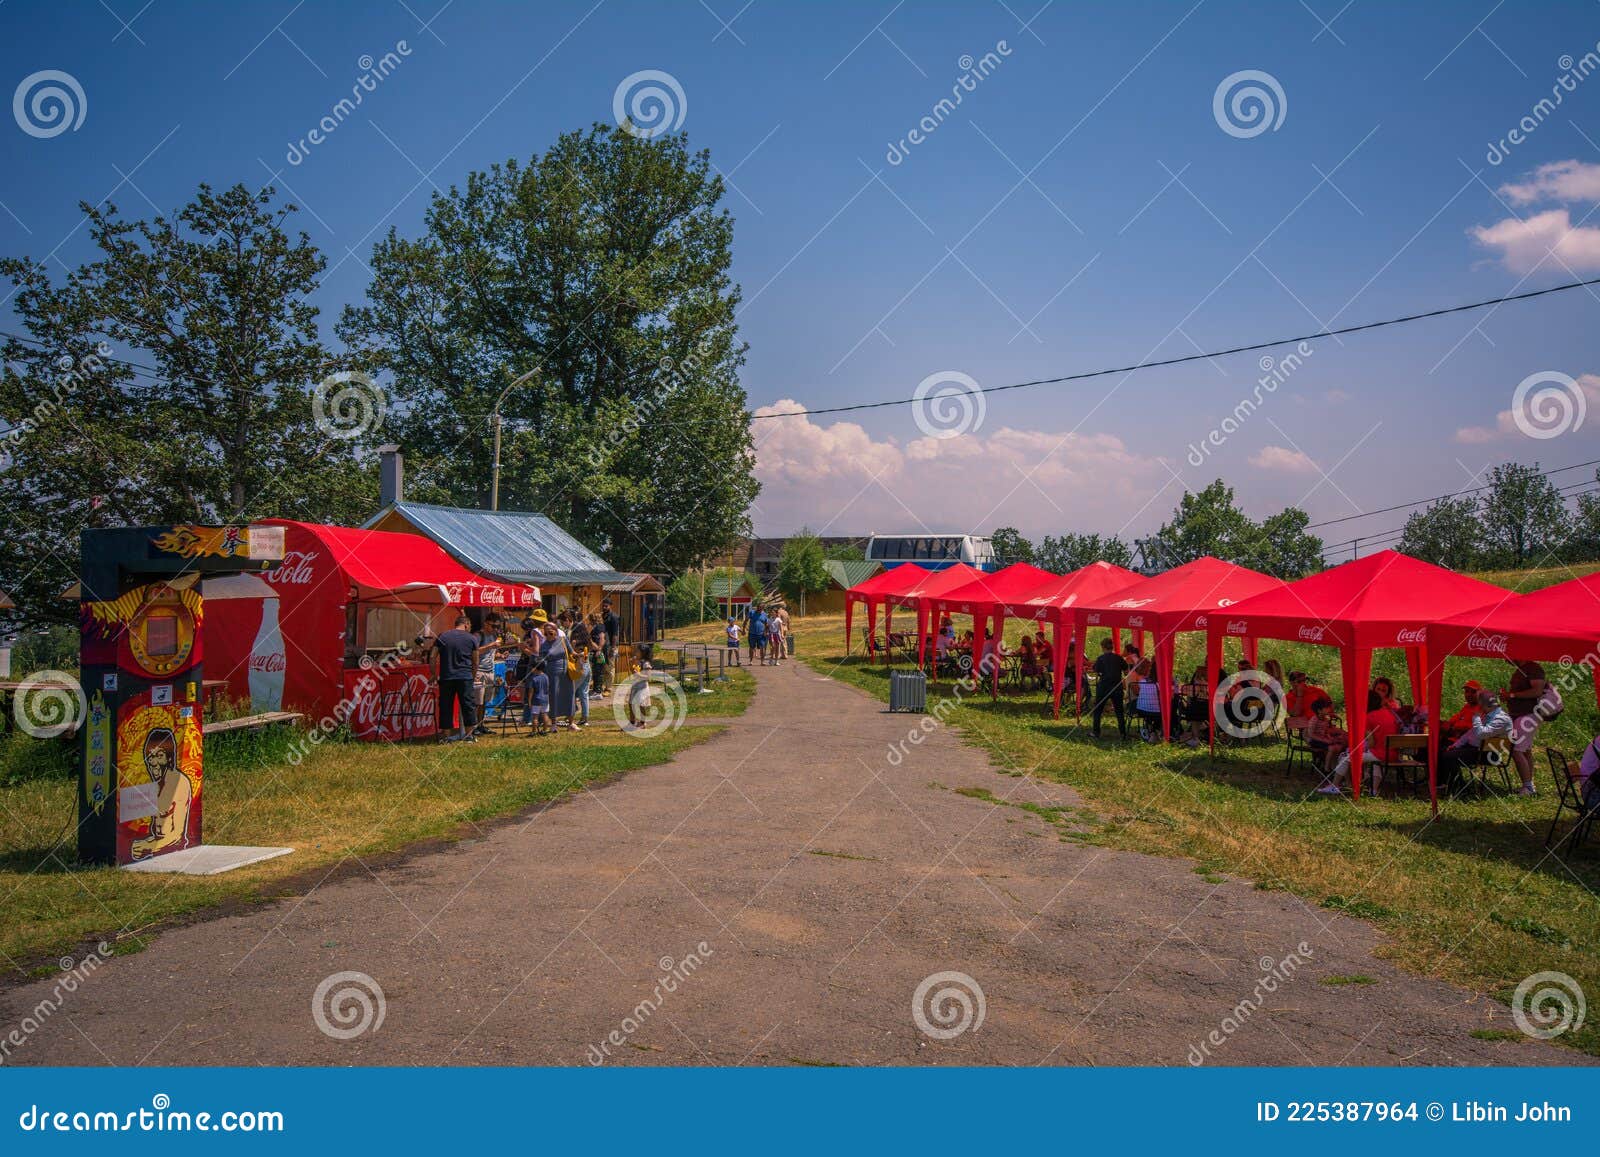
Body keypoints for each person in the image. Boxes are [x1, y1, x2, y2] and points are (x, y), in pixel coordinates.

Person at [1320, 690, 1398, 795]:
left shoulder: (1368, 717)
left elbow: (1371, 742)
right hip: (1393, 753)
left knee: (1345, 757)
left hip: (1380, 753)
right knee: (1375, 764)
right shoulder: (1389, 714)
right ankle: (1374, 790)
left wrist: (1359, 750)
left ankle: (1335, 786)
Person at [1440, 690, 1513, 793]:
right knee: (1444, 751)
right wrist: (1456, 745)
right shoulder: (1488, 715)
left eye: (1479, 704)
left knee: (1449, 757)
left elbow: (1481, 733)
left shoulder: (1501, 719)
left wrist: (1476, 717)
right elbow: (1469, 733)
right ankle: (1450, 784)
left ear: (1484, 705)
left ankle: (1457, 789)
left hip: (1488, 753)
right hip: (1477, 749)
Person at [428, 613, 479, 743]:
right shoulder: (472, 638)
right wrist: (472, 676)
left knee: (446, 706)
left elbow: (433, 656)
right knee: (468, 706)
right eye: (470, 626)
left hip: (446, 677)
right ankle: (469, 736)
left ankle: (446, 737)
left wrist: (433, 673)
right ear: (466, 624)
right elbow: (476, 661)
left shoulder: (443, 636)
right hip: (465, 677)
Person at [1502, 659, 1548, 795]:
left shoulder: (1533, 668)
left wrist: (1512, 695)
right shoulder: (1521, 669)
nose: (1505, 659)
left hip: (1528, 715)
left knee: (1517, 750)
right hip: (1521, 715)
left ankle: (1527, 787)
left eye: (1508, 655)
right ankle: (1528, 785)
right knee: (1525, 750)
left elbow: (1537, 691)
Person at [1090, 637, 1128, 740]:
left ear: (1103, 647)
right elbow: (1126, 671)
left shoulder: (1101, 659)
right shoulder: (1119, 658)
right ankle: (1123, 733)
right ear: (1112, 646)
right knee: (1119, 711)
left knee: (1098, 710)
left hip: (1104, 687)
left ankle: (1096, 732)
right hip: (1117, 687)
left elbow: (1096, 670)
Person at [1305, 697, 1346, 775]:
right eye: (1326, 708)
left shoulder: (1325, 719)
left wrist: (1329, 737)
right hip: (1314, 740)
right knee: (1332, 747)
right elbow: (1311, 734)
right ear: (1319, 711)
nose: (1329, 709)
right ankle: (1326, 768)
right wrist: (1324, 740)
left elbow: (1326, 731)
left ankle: (1334, 767)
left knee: (1338, 746)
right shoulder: (1314, 720)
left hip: (1323, 739)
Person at [523, 657, 552, 735]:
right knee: (545, 715)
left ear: (535, 668)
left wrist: (529, 701)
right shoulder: (546, 677)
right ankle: (545, 730)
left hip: (536, 700)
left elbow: (531, 691)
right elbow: (548, 688)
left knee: (535, 717)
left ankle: (534, 731)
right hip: (545, 699)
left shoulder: (533, 678)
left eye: (532, 667)